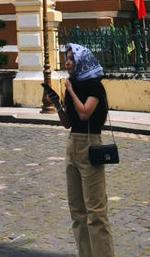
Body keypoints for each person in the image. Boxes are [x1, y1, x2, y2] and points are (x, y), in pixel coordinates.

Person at [44, 43, 115, 257]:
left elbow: (85, 113)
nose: (67, 62)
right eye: (66, 58)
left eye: (71, 59)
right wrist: (57, 104)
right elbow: (69, 122)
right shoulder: (72, 85)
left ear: (81, 61)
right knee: (77, 211)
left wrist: (71, 91)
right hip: (72, 143)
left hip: (90, 145)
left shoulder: (94, 86)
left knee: (96, 214)